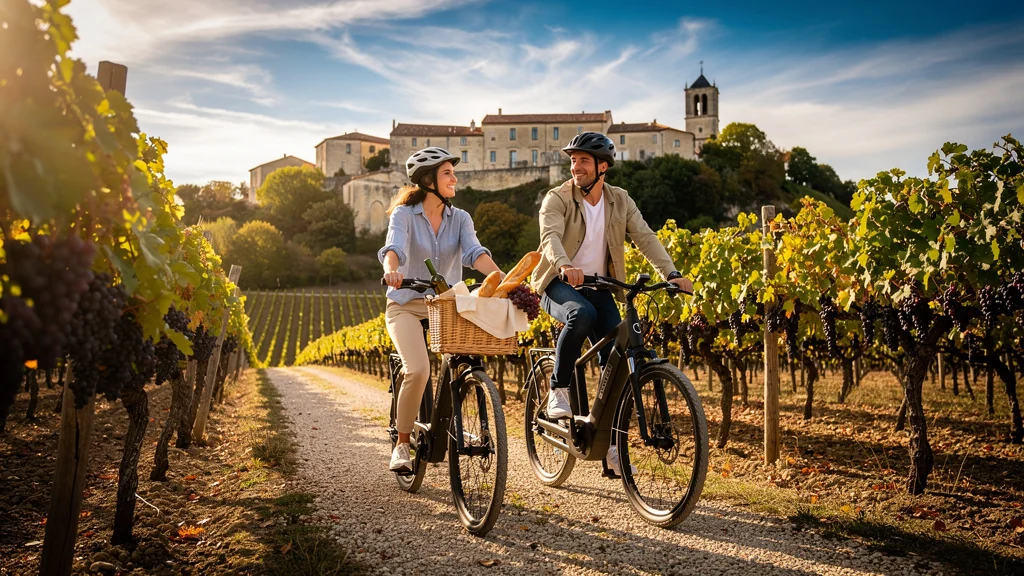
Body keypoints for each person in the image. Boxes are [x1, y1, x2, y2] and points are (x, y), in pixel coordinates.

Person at [530, 132, 694, 476]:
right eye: (573, 160)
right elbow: (550, 237)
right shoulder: (557, 198)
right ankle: (559, 389)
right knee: (581, 314)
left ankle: (613, 449)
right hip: (558, 284)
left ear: (603, 166)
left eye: (584, 161)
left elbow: (645, 236)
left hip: (602, 286)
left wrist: (673, 272)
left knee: (616, 366)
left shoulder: (619, 200)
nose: (576, 167)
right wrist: (564, 265)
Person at [379, 147, 504, 474]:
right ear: (428, 180)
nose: (454, 178)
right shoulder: (404, 215)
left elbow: (475, 253)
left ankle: (452, 423)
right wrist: (392, 270)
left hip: (444, 306)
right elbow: (394, 248)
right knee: (418, 370)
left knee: (462, 363)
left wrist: (501, 278)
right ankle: (402, 444)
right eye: (447, 173)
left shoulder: (460, 218)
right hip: (405, 304)